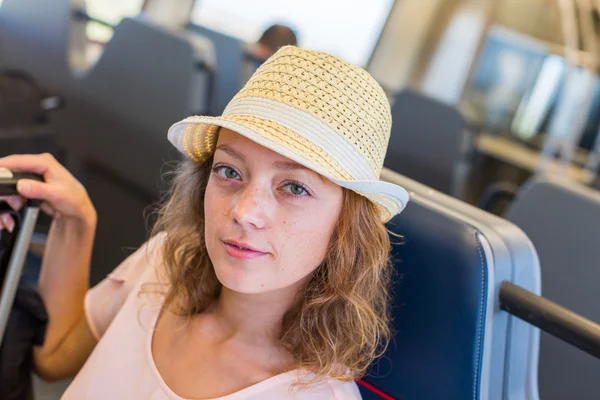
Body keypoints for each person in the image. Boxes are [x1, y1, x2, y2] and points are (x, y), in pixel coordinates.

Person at [0, 46, 409, 399]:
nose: (244, 212)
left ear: (346, 224)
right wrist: (77, 221)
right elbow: (54, 358)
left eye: (295, 188)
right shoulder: (164, 263)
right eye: (230, 172)